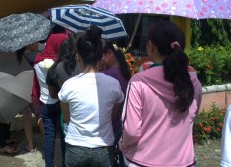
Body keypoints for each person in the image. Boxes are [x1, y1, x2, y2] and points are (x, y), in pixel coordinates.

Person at [119, 21, 202, 167]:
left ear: (150, 46)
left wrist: (123, 145)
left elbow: (131, 131)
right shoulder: (194, 83)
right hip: (184, 162)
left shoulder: (138, 82)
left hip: (142, 162)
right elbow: (191, 119)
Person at [58, 26, 124, 167]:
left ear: (77, 56)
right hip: (104, 147)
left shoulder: (69, 85)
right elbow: (113, 115)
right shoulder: (114, 84)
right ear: (100, 55)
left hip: (76, 146)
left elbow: (67, 119)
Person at [32, 33, 68, 167]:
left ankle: (49, 164)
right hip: (60, 104)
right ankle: (65, 163)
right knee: (64, 135)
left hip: (45, 103)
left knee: (49, 137)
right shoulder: (61, 65)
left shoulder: (37, 61)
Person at [98, 39, 131, 167]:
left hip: (110, 126)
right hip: (121, 125)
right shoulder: (123, 71)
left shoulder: (107, 75)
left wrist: (97, 71)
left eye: (100, 57)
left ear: (109, 53)